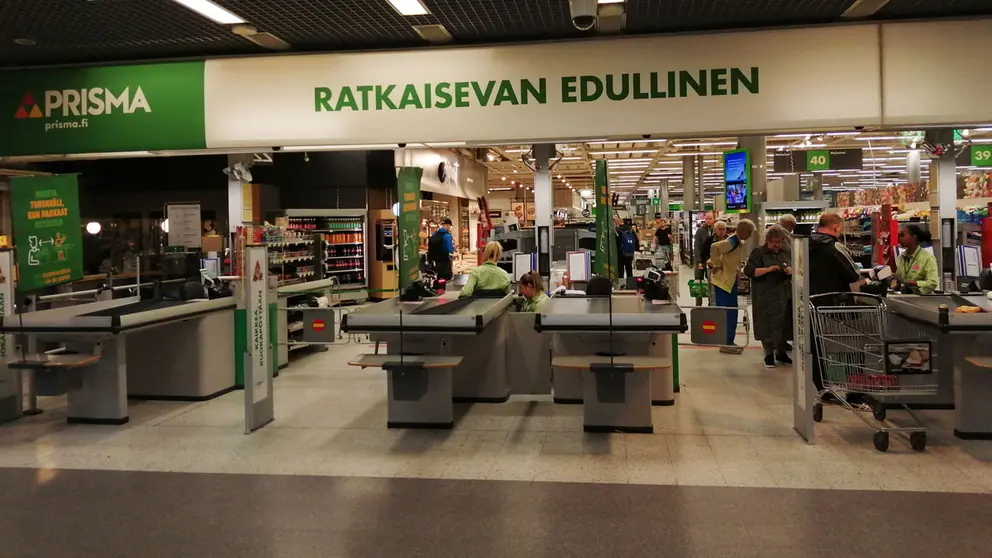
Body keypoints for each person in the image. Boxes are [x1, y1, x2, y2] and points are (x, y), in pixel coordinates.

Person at [808, 212, 863, 402]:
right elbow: (852, 274)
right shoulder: (834, 247)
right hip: (837, 305)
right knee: (849, 346)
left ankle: (824, 388)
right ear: (837, 227)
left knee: (817, 348)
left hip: (811, 305)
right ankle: (854, 390)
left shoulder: (804, 244)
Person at [744, 225, 793, 368]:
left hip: (783, 294)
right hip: (764, 295)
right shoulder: (759, 253)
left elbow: (797, 267)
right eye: (774, 242)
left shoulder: (787, 252)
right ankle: (769, 354)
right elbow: (749, 271)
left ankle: (781, 352)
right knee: (766, 326)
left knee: (784, 324)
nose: (777, 245)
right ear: (767, 240)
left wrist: (790, 270)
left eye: (780, 242)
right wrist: (769, 269)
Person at [709, 219, 756, 350]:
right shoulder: (732, 241)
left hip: (728, 282)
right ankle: (726, 342)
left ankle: (729, 341)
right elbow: (714, 247)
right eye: (749, 232)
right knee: (728, 313)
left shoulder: (737, 242)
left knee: (731, 312)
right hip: (724, 282)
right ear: (743, 231)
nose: (750, 235)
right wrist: (717, 264)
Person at [893, 224, 938, 295]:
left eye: (902, 235)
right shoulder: (901, 257)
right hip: (905, 298)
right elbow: (900, 282)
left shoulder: (927, 258)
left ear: (913, 237)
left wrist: (912, 283)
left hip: (922, 300)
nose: (900, 238)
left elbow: (932, 283)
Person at [692, 212, 716, 303]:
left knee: (711, 282)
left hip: (711, 260)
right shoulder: (700, 231)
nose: (708, 221)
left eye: (710, 219)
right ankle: (698, 303)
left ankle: (711, 302)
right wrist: (698, 261)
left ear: (714, 219)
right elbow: (696, 246)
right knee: (699, 281)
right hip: (701, 259)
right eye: (706, 219)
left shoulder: (716, 230)